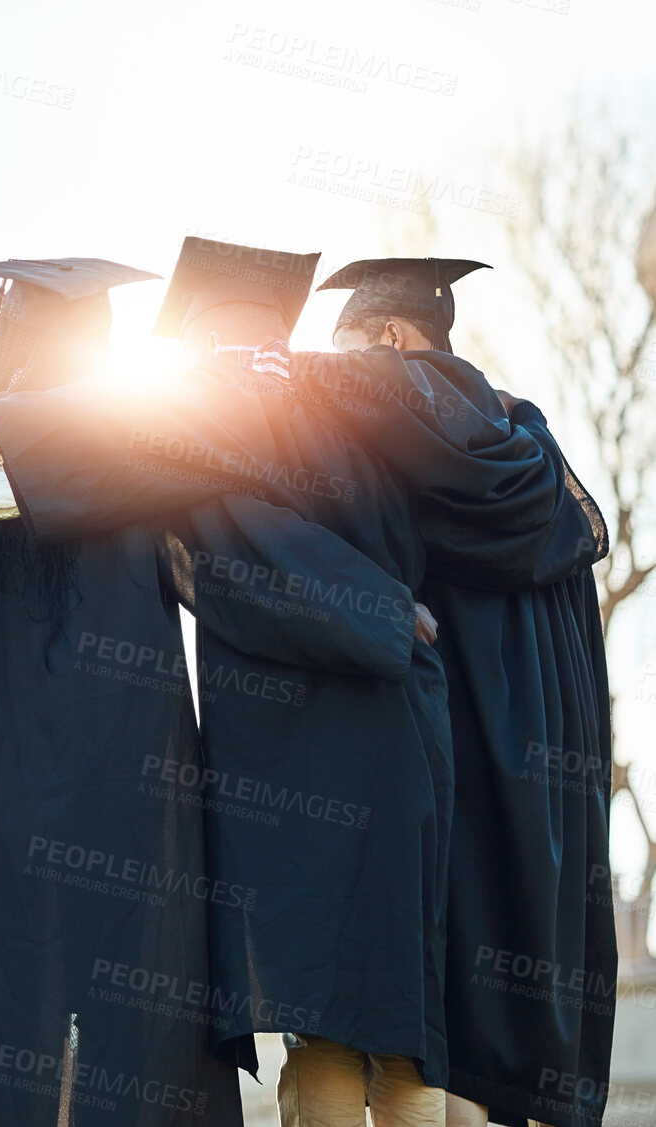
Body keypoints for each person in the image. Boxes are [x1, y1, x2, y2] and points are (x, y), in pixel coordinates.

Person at [0, 257, 441, 1127]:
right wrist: (378, 605)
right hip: (132, 781)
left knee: (9, 1008)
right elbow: (249, 548)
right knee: (142, 1013)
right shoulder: (138, 458)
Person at [306, 258, 613, 1127]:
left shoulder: (388, 430)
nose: (341, 374)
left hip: (446, 760)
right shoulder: (532, 447)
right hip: (548, 789)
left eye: (352, 353)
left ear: (395, 339)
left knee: (426, 1028)